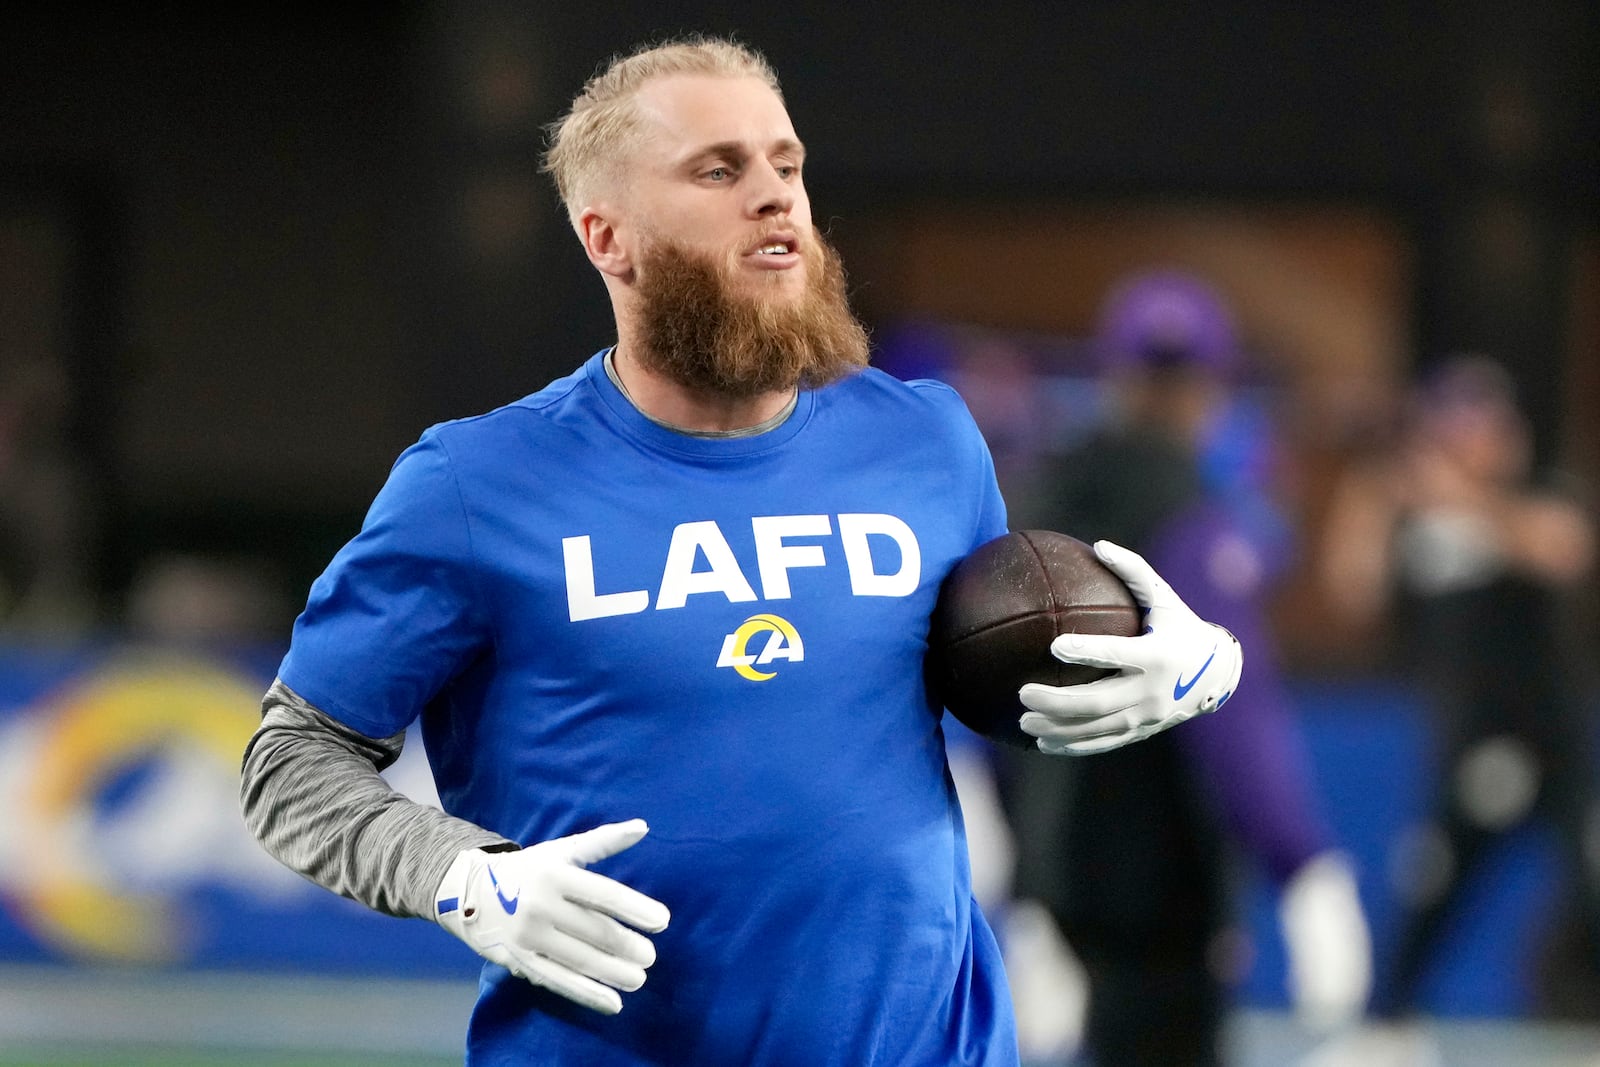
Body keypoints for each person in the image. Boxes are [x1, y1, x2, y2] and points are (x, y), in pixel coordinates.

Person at [239, 37, 1242, 1067]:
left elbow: (1013, 683)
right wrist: (458, 873)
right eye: (718, 170)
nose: (774, 197)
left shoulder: (925, 439)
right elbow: (289, 764)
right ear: (607, 239)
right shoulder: (474, 484)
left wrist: (1199, 663)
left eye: (786, 164)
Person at [1002, 271, 1371, 1067]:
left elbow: (982, 695)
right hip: (1161, 898)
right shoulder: (1190, 518)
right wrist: (1303, 862)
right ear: (1213, 386)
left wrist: (1026, 890)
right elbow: (1237, 717)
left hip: (1060, 887)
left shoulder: (1036, 507)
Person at [1313, 354, 1597, 1062]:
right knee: (1434, 883)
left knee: (1591, 879)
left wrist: (1463, 496)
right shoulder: (1421, 516)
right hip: (1470, 743)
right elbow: (1353, 591)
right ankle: (1386, 1025)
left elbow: (1563, 548)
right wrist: (1374, 493)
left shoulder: (1536, 492)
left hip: (1550, 737)